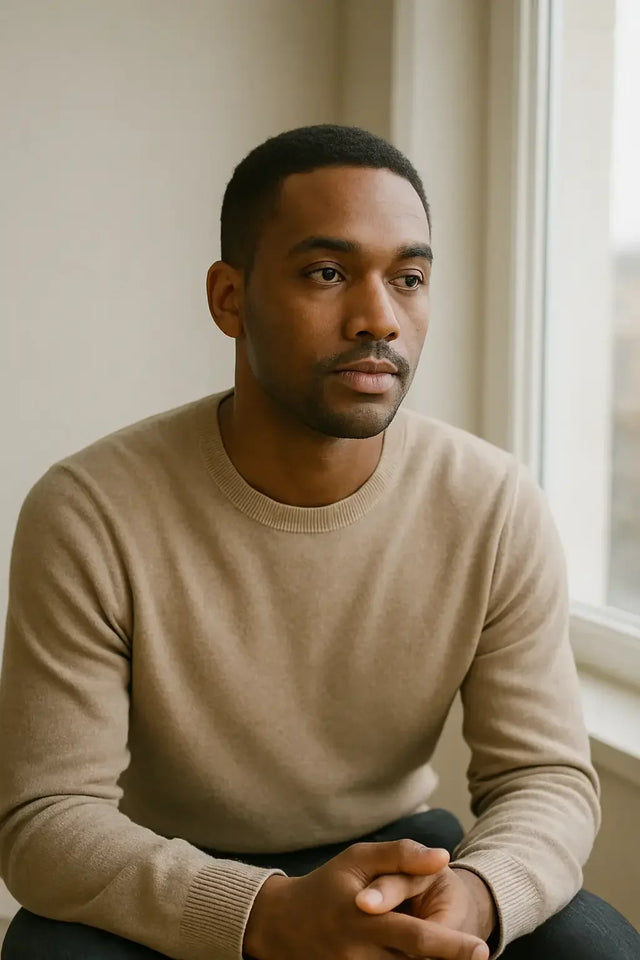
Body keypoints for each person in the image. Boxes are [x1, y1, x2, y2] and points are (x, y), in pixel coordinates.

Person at [0, 124, 638, 960]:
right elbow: (46, 817)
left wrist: (479, 897)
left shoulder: (492, 502)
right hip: (172, 867)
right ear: (231, 298)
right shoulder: (90, 510)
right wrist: (266, 914)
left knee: (596, 948)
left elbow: (543, 778)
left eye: (408, 278)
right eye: (327, 273)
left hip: (394, 854)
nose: (378, 317)